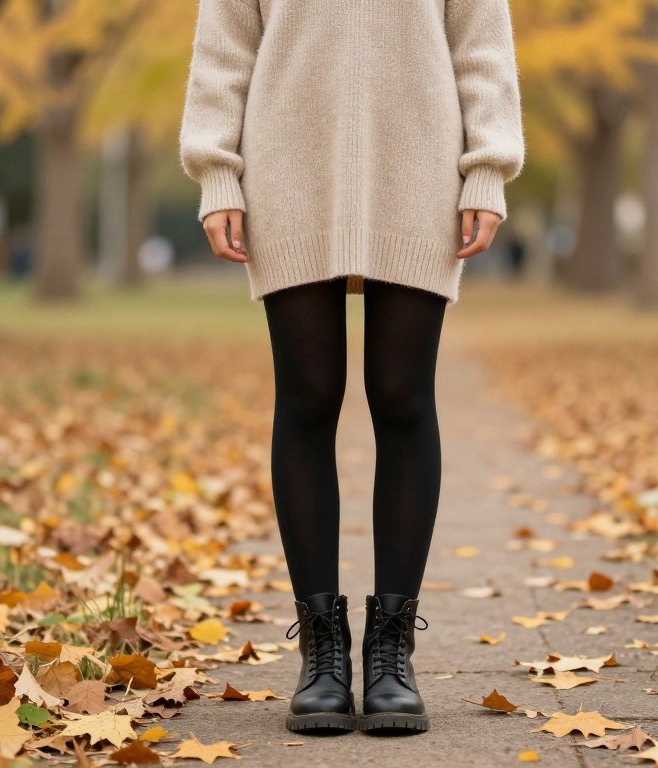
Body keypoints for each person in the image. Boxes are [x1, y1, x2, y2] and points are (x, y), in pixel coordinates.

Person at [179, 0, 525, 735]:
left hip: (419, 166)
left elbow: (482, 45)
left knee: (401, 396)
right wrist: (217, 171)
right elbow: (224, 46)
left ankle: (390, 653)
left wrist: (488, 167)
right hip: (288, 167)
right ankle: (322, 655)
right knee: (308, 397)